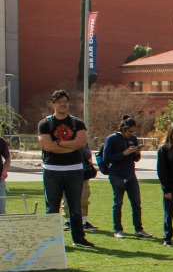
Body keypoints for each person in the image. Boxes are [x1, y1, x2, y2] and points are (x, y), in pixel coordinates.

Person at [37, 90, 93, 247]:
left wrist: (59, 144)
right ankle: (52, 241)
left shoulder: (77, 123)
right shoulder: (45, 124)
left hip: (74, 169)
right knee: (52, 207)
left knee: (75, 206)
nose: (63, 104)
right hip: (52, 170)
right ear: (53, 104)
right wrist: (70, 145)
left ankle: (79, 239)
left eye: (65, 101)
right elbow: (47, 146)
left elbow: (81, 143)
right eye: (59, 101)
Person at [102, 115, 151, 239]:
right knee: (118, 202)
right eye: (129, 131)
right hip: (116, 174)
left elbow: (135, 159)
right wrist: (124, 153)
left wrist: (137, 154)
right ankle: (117, 229)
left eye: (133, 131)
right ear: (123, 128)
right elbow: (106, 158)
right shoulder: (112, 139)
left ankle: (139, 229)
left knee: (136, 202)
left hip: (130, 174)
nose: (131, 134)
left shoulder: (133, 139)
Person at [0, 132, 9, 215]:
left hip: (0, 181)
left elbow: (8, 158)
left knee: (1, 210)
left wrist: (5, 170)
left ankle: (3, 228)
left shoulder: (1, 141)